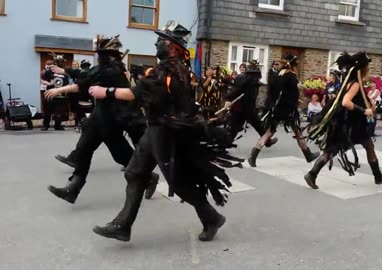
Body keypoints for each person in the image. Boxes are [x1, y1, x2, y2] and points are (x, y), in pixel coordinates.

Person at [89, 21, 242, 242]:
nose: (156, 43)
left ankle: (212, 218)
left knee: (179, 184)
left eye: (160, 40)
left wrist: (106, 91)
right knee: (134, 173)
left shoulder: (169, 70)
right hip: (156, 130)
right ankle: (123, 226)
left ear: (171, 46)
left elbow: (136, 93)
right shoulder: (177, 68)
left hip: (166, 132)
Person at [44, 35, 159, 204]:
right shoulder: (105, 68)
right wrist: (65, 73)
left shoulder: (113, 70)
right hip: (98, 118)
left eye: (101, 54)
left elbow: (87, 79)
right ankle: (73, 188)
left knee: (122, 156)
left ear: (110, 55)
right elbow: (88, 75)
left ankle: (149, 178)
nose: (99, 57)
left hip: (113, 120)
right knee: (83, 148)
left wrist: (61, 87)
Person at [304, 52, 382, 189]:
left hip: (347, 123)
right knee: (366, 146)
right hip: (353, 124)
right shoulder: (355, 84)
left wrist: (368, 102)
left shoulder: (350, 82)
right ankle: (378, 176)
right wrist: (365, 110)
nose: (368, 67)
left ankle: (312, 174)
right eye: (367, 65)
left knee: (336, 149)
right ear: (362, 68)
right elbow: (345, 102)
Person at [246, 54, 319, 167]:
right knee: (297, 131)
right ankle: (308, 154)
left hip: (276, 108)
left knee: (269, 132)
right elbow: (294, 93)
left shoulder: (278, 74)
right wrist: (296, 101)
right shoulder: (291, 75)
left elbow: (275, 92)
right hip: (288, 109)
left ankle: (253, 155)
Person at [224, 60, 278, 146]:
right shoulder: (247, 79)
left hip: (247, 108)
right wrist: (228, 98)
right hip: (243, 108)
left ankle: (267, 141)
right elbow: (236, 90)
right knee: (235, 127)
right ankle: (224, 144)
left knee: (256, 125)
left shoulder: (251, 81)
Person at [41, 55, 69, 131]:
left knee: (59, 110)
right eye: (58, 61)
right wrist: (50, 83)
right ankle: (46, 125)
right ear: (55, 62)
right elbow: (42, 80)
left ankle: (58, 125)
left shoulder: (64, 72)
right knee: (48, 110)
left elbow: (66, 83)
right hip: (50, 93)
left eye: (61, 61)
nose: (60, 63)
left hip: (60, 94)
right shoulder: (49, 71)